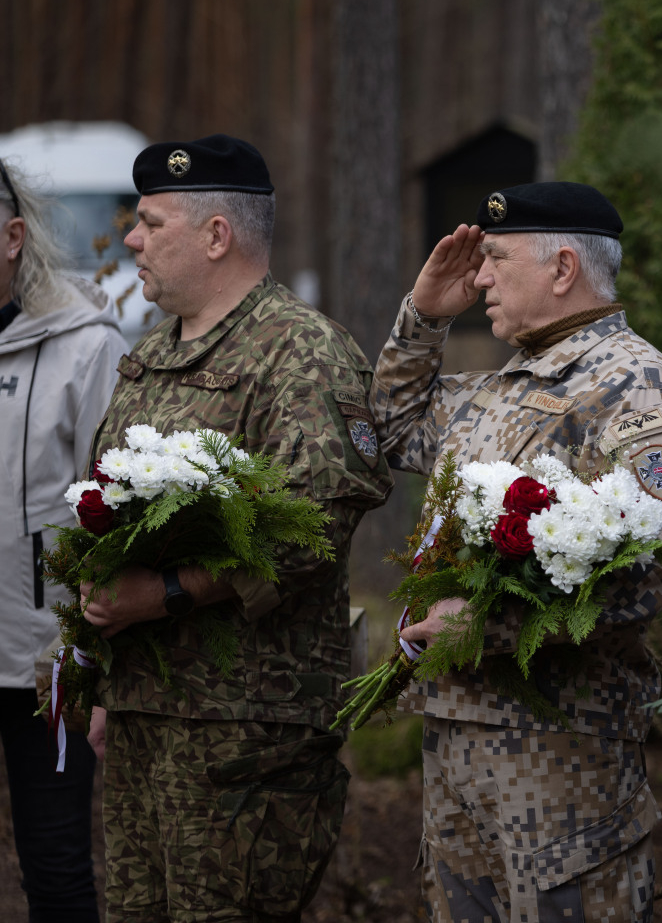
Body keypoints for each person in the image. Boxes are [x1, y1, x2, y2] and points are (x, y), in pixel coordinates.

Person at [371, 181, 662, 923]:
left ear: (562, 268)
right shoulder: (499, 387)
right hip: (460, 744)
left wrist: (484, 628)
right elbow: (390, 429)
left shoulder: (635, 389)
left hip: (560, 763)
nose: (480, 277)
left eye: (495, 259)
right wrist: (425, 317)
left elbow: (650, 575)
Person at [79, 134, 393, 920]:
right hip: (146, 720)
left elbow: (312, 526)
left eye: (151, 222)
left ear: (216, 236)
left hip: (246, 736)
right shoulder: (149, 356)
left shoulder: (301, 354)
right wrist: (106, 687)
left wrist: (168, 594)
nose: (131, 239)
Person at [0, 157, 128, 922]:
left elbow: (113, 512)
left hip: (45, 662)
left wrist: (101, 667)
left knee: (54, 874)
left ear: (14, 236)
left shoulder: (87, 346)